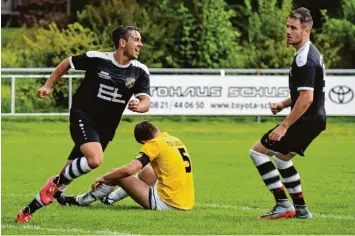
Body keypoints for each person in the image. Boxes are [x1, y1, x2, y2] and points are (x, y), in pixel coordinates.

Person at [17, 25, 151, 223]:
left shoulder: (140, 71)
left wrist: (139, 106)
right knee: (95, 159)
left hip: (106, 130)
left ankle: (26, 212)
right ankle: (55, 183)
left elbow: (146, 101)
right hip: (83, 116)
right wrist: (48, 85)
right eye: (136, 39)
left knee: (62, 180)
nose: (140, 44)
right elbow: (67, 63)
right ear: (123, 42)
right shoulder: (97, 59)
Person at [249, 7, 326, 220]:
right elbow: (306, 92)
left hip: (306, 118)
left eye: (294, 28)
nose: (288, 31)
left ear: (306, 31)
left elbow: (307, 99)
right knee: (282, 159)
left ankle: (283, 205)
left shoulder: (305, 59)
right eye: (287, 27)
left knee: (257, 152)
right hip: (314, 119)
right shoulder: (307, 54)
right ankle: (301, 210)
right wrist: (283, 104)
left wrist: (284, 125)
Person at [58, 120, 195, 211]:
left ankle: (79, 201)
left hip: (168, 203)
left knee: (117, 174)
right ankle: (109, 198)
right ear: (156, 129)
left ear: (143, 141)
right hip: (186, 201)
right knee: (145, 171)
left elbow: (129, 170)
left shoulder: (153, 144)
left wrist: (104, 177)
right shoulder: (173, 139)